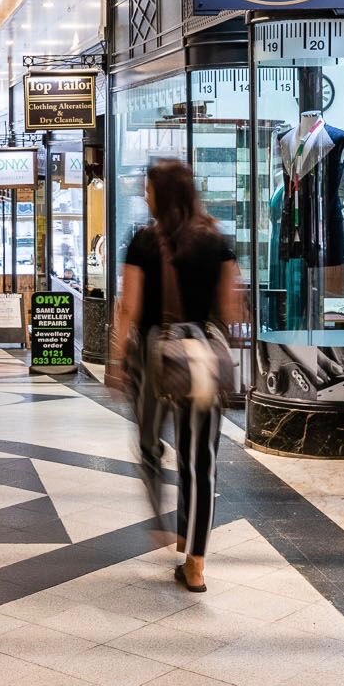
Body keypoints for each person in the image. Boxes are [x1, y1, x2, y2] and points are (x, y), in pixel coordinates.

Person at [109, 158, 242, 593]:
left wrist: (115, 359)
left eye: (148, 188)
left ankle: (164, 521)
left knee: (149, 442)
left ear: (161, 194)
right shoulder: (217, 241)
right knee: (200, 459)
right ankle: (196, 560)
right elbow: (230, 311)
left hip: (153, 356)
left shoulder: (144, 241)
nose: (144, 194)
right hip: (202, 360)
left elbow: (129, 306)